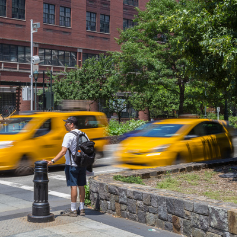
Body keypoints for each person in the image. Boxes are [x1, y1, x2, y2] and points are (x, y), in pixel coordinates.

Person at [46, 116, 87, 217]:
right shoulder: (83, 134)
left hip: (72, 164)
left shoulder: (69, 135)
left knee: (73, 186)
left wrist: (52, 161)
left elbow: (63, 151)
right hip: (82, 164)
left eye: (67, 123)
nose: (65, 125)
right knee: (81, 186)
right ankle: (82, 209)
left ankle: (73, 210)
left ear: (72, 125)